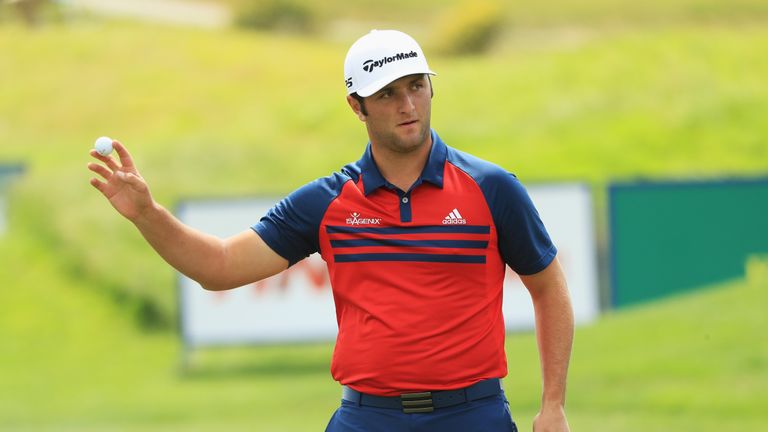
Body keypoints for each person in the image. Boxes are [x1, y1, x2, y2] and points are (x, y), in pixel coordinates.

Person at [88, 29, 573, 432]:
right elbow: (219, 267)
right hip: (367, 418)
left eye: (417, 86)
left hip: (474, 414)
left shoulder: (491, 188)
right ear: (357, 106)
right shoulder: (328, 201)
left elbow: (548, 287)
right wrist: (147, 214)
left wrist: (553, 405)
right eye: (387, 93)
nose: (408, 104)